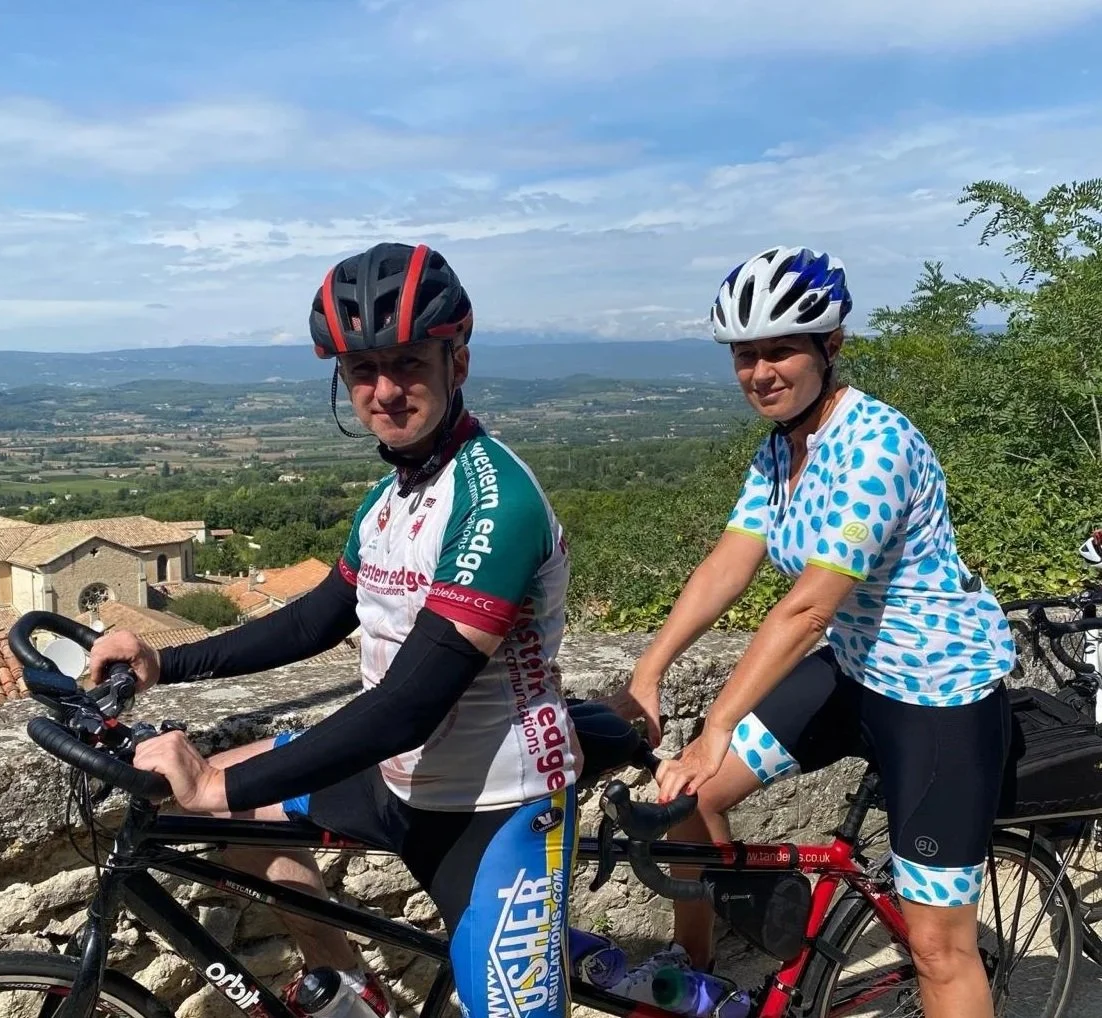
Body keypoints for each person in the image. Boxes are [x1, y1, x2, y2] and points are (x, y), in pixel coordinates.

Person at [91, 242, 581, 1018]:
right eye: (362, 370)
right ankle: (354, 995)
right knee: (230, 819)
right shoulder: (391, 499)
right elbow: (318, 618)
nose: (385, 390)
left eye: (409, 362)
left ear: (459, 361)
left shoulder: (496, 501)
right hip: (393, 780)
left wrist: (221, 779)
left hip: (496, 806)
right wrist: (163, 660)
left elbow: (410, 703)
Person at [601, 246, 1017, 1018]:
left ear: (830, 347)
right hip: (853, 671)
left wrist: (716, 724)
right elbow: (730, 562)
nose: (760, 372)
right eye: (745, 355)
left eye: (780, 350)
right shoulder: (781, 447)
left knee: (938, 950)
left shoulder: (876, 446)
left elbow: (806, 607)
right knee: (691, 799)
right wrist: (648, 672)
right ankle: (694, 973)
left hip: (937, 695)